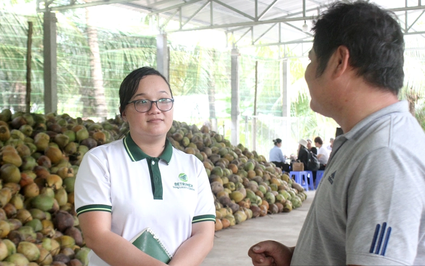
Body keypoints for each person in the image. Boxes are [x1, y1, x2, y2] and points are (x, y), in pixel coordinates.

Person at [248, 1, 425, 265]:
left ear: (340, 61)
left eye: (311, 60)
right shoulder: (362, 139)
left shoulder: (386, 155)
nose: (308, 73)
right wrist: (298, 257)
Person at [74, 67, 216, 266]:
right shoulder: (100, 161)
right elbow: (97, 235)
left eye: (163, 100)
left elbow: (203, 234)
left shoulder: (192, 166)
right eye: (142, 102)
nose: (155, 109)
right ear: (123, 112)